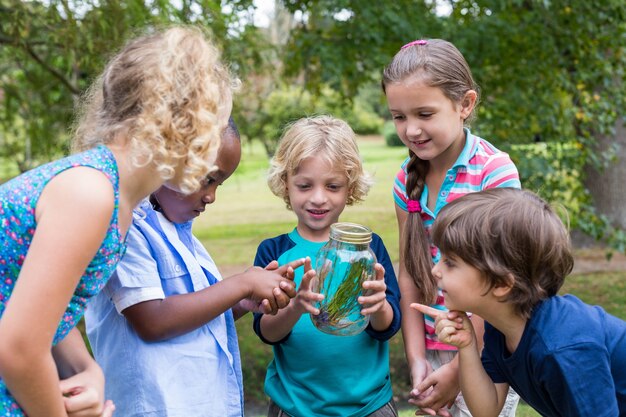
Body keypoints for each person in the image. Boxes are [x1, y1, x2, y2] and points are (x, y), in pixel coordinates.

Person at [0, 25, 237, 416]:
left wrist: (87, 369)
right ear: (183, 122)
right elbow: (19, 347)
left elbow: (45, 310)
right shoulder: (90, 194)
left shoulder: (124, 204)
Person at [85, 118, 301, 417]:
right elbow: (152, 320)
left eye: (219, 184)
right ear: (166, 160)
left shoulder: (180, 232)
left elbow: (191, 311)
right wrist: (241, 284)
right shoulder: (128, 226)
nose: (211, 196)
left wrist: (241, 303)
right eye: (206, 179)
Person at [381, 38, 522, 416]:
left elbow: (501, 282)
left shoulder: (494, 173)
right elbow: (409, 270)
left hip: (484, 350)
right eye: (399, 116)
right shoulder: (403, 181)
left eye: (424, 114)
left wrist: (458, 371)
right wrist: (417, 362)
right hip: (430, 348)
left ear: (465, 104)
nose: (411, 130)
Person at [412, 187, 626, 416]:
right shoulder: (500, 328)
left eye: (450, 263)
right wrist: (467, 346)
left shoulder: (562, 348)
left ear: (502, 284)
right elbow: (487, 409)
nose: (435, 270)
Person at [252, 115, 402, 417]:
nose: (318, 198)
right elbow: (267, 332)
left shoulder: (368, 249)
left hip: (369, 406)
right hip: (294, 407)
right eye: (305, 185)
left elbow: (387, 328)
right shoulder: (274, 252)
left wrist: (379, 307)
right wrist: (295, 307)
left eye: (333, 186)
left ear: (350, 186)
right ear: (286, 184)